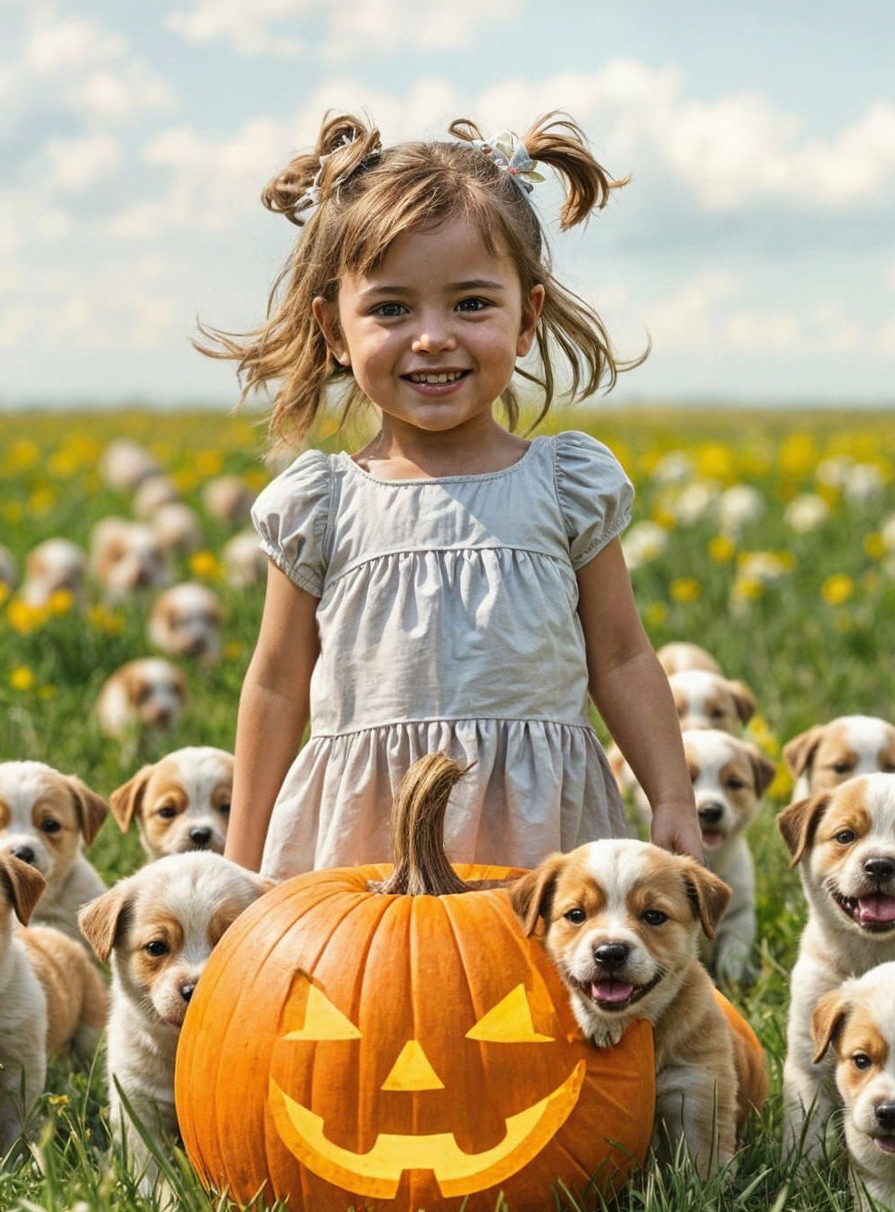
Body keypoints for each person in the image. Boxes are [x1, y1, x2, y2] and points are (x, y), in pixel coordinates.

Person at [203, 110, 700, 880]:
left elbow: (624, 654)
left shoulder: (566, 487)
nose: (432, 336)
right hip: (369, 834)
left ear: (527, 316)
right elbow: (274, 681)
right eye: (392, 309)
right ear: (335, 329)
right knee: (370, 993)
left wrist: (671, 794)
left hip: (538, 834)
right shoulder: (324, 504)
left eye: (470, 303)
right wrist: (240, 857)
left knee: (537, 992)